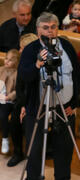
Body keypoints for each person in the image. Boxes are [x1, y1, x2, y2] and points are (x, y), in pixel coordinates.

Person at [18, 12, 80, 180]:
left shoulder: (67, 46)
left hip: (65, 106)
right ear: (38, 29)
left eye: (53, 27)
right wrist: (38, 64)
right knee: (36, 144)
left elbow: (77, 76)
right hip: (38, 106)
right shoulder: (30, 50)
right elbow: (24, 77)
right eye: (46, 27)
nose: (50, 31)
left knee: (65, 144)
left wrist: (75, 102)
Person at [7, 33, 38, 168]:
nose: (19, 51)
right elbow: (20, 89)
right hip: (23, 102)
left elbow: (35, 90)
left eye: (22, 48)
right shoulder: (22, 64)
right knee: (14, 120)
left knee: (28, 122)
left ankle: (33, 156)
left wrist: (27, 106)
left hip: (36, 103)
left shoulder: (39, 65)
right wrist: (22, 106)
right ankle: (17, 153)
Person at [0, 49, 20, 156]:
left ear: (16, 62)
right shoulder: (1, 69)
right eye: (6, 58)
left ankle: (5, 138)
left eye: (10, 60)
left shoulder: (17, 73)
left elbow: (18, 90)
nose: (7, 61)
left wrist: (8, 97)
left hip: (8, 101)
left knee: (3, 115)